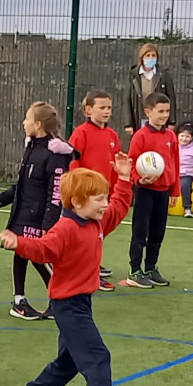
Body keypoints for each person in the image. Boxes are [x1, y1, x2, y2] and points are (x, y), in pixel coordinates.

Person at [0, 160, 149, 386]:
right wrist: (19, 243)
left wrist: (124, 178)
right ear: (77, 202)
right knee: (97, 356)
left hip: (81, 303)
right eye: (98, 199)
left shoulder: (96, 222)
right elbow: (43, 249)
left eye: (104, 197)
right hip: (68, 306)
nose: (105, 204)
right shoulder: (65, 228)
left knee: (68, 362)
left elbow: (119, 207)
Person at [0, 102, 74, 321]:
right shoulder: (31, 148)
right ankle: (19, 301)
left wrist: (49, 223)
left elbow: (56, 191)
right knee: (20, 252)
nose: (23, 123)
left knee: (39, 257)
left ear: (38, 124)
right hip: (22, 213)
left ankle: (58, 300)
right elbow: (24, 184)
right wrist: (5, 197)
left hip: (38, 217)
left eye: (27, 119)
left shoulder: (54, 154)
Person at [122, 92, 178, 288]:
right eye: (160, 111)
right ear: (148, 112)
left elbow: (175, 163)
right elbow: (131, 163)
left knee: (157, 232)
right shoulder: (140, 136)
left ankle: (151, 268)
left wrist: (175, 191)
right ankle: (134, 271)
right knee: (141, 231)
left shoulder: (171, 136)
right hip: (145, 191)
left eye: (167, 111)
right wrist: (139, 179)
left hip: (163, 191)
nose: (165, 115)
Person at [69, 90, 122, 292]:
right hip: (86, 195)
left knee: (98, 233)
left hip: (103, 195)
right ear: (88, 110)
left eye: (109, 108)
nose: (107, 111)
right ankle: (88, 273)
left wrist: (115, 190)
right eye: (102, 107)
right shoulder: (81, 133)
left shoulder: (112, 135)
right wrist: (79, 189)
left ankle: (91, 268)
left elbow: (116, 165)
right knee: (87, 234)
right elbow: (73, 163)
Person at [123, 42, 176, 132]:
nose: (151, 58)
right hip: (140, 117)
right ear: (142, 57)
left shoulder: (164, 74)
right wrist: (128, 123)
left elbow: (171, 98)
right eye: (148, 55)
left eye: (153, 55)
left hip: (158, 117)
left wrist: (171, 121)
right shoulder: (133, 75)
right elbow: (127, 99)